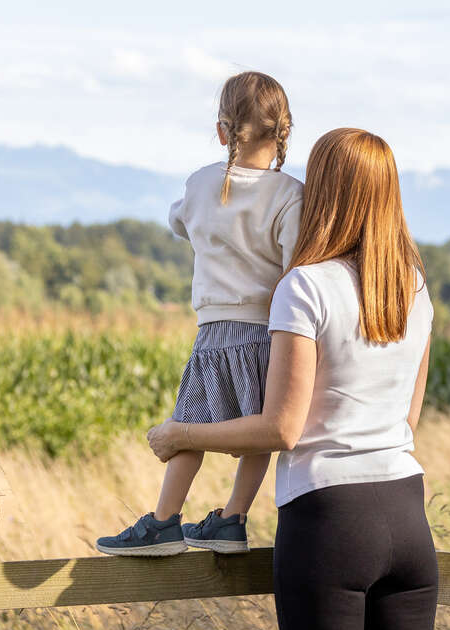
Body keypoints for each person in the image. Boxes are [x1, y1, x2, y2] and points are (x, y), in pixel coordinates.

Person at [147, 128, 437, 630]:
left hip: (330, 519)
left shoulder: (305, 287)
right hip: (407, 512)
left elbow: (282, 429)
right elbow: (408, 418)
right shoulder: (413, 288)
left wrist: (179, 434)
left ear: (321, 192)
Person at [96, 71, 302, 557]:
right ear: (283, 133)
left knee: (190, 421)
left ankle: (164, 522)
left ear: (222, 131)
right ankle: (232, 518)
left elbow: (178, 220)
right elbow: (296, 264)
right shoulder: (291, 193)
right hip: (270, 329)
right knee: (259, 427)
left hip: (214, 329)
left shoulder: (202, 183)